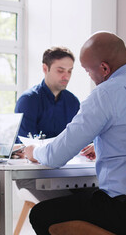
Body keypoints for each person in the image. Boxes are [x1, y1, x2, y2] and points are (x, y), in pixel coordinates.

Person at [21, 32, 126, 235]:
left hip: (125, 211)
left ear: (104, 68)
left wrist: (34, 151)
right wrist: (100, 146)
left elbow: (56, 156)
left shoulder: (106, 94)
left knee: (41, 214)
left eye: (88, 72)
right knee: (86, 196)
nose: (90, 77)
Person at [14, 47, 82, 202]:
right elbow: (25, 147)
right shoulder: (28, 100)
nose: (66, 76)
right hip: (34, 175)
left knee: (98, 198)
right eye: (60, 70)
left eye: (70, 71)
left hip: (68, 173)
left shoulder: (73, 102)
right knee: (70, 206)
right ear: (45, 68)